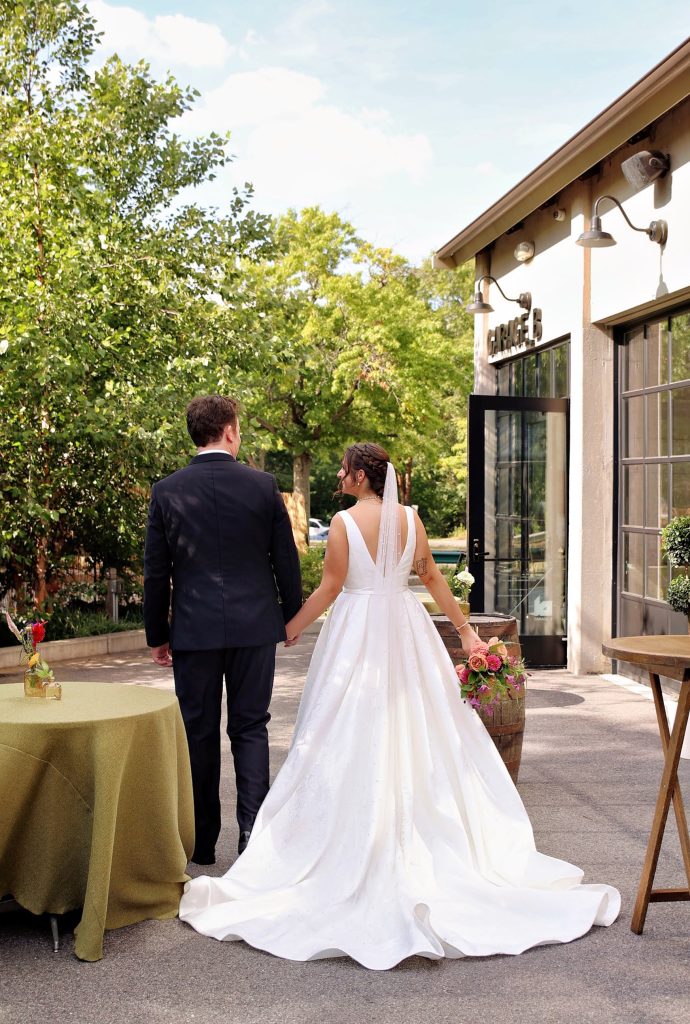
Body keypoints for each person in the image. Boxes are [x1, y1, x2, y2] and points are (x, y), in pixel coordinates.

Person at [179, 442, 620, 969]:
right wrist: (466, 634)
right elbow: (432, 579)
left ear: (362, 475)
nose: (339, 474)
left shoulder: (343, 524)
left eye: (344, 468)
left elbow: (331, 588)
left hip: (358, 631)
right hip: (407, 628)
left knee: (344, 728)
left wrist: (287, 628)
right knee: (422, 724)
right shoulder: (411, 519)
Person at [144, 395, 302, 865]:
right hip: (255, 626)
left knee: (199, 732)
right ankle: (252, 836)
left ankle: (202, 842)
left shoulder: (166, 491)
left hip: (193, 630)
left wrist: (158, 634)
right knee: (251, 727)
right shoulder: (263, 485)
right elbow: (285, 561)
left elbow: (157, 573)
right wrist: (289, 618)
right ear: (230, 430)